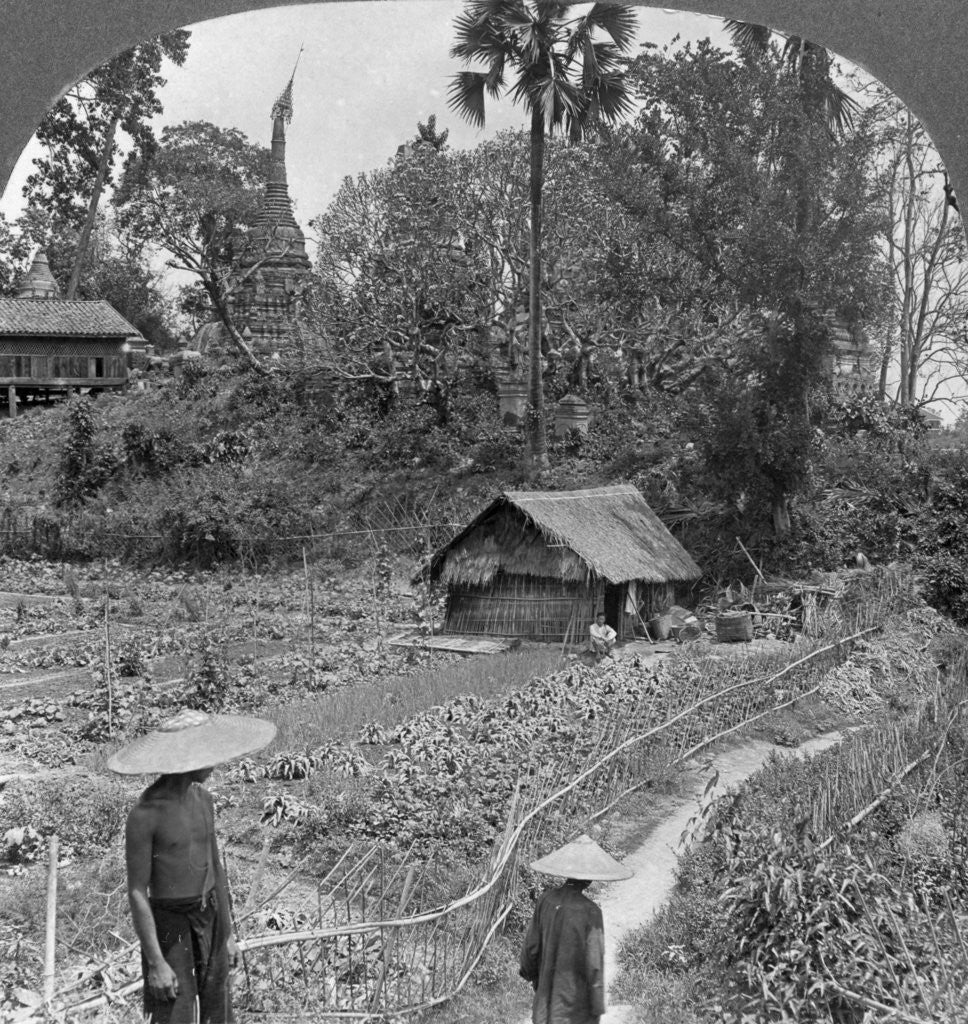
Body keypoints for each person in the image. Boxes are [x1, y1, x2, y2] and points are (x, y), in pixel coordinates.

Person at [108, 708, 276, 1024]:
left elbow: (216, 867)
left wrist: (227, 935)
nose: (213, 762)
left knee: (219, 1009)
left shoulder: (203, 800)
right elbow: (137, 891)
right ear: (187, 757)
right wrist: (156, 961)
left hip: (209, 913)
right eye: (207, 754)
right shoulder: (146, 815)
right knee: (174, 1011)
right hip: (171, 922)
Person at [520, 834, 633, 1024]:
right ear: (589, 880)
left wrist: (533, 977)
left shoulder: (545, 900)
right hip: (574, 1010)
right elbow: (594, 963)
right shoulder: (591, 912)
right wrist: (597, 1006)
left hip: (545, 1006)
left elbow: (531, 947)